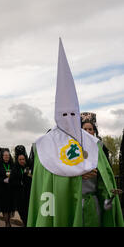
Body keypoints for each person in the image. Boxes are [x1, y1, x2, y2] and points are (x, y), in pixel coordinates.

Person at [28, 39, 124, 227]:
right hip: (59, 209)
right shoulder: (45, 144)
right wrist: (77, 174)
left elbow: (106, 178)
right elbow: (45, 184)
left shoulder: (92, 142)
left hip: (90, 210)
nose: (68, 118)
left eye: (73, 113)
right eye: (64, 114)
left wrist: (95, 175)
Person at [10, 145, 32, 227]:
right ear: (17, 160)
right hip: (19, 195)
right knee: (23, 214)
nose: (22, 161)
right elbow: (12, 182)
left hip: (29, 194)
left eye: (23, 159)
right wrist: (20, 182)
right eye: (20, 159)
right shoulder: (15, 168)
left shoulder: (30, 166)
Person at [0, 148, 14, 227]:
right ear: (2, 156)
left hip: (11, 190)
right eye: (5, 155)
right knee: (5, 209)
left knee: (10, 209)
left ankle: (9, 222)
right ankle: (7, 223)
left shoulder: (12, 165)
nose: (7, 157)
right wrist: (3, 180)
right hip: (2, 190)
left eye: (8, 155)